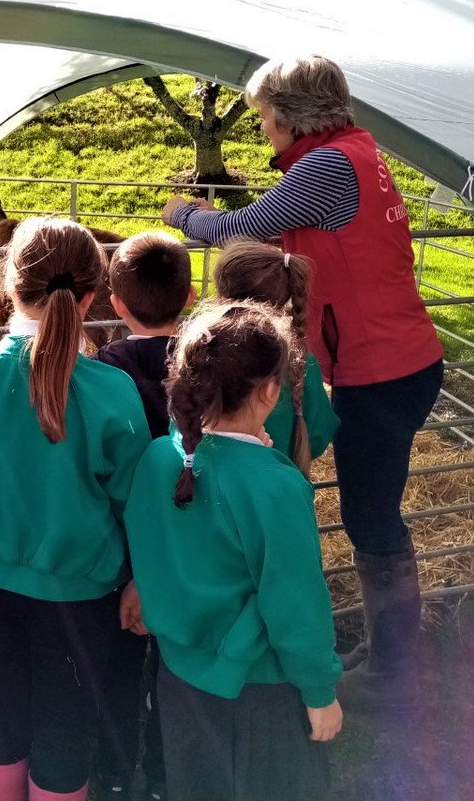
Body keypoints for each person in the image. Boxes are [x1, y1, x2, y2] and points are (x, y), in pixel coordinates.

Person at [162, 54, 443, 709]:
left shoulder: (327, 167)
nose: (263, 128)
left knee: (371, 518)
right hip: (399, 356)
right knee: (374, 512)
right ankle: (392, 653)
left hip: (381, 368)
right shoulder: (354, 151)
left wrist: (184, 213)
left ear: (290, 116)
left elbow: (239, 229)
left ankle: (395, 670)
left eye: (264, 116)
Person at [0, 218, 152, 801]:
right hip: (79, 592)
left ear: (10, 287)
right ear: (91, 297)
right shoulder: (110, 390)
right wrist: (136, 576)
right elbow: (134, 502)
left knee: (0, 713)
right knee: (65, 725)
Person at [123, 301, 343, 801]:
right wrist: (319, 690)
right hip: (257, 686)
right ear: (270, 391)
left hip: (180, 675)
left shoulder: (160, 458)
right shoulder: (275, 487)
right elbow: (296, 604)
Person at [92, 231, 193, 801]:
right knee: (175, 663)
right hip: (184, 543)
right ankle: (162, 774)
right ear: (190, 295)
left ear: (116, 303)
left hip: (121, 551)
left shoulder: (105, 371)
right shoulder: (204, 364)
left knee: (119, 663)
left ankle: (110, 771)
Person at [212, 239, 338, 475]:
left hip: (218, 482)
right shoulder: (302, 359)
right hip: (285, 479)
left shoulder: (207, 356)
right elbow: (318, 434)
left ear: (223, 302)